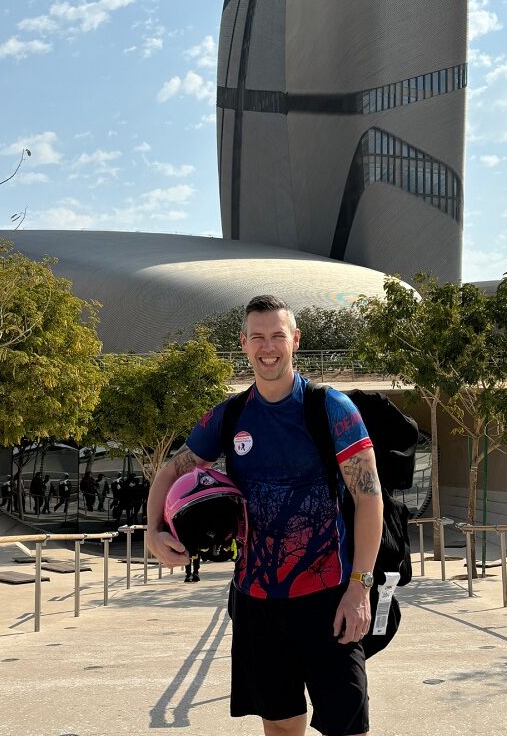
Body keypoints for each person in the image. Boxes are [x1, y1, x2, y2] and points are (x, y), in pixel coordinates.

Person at [147, 295, 383, 736]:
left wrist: (360, 587)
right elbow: (171, 471)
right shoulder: (230, 415)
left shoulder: (329, 407)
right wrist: (153, 531)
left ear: (295, 340)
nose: (268, 346)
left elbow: (369, 498)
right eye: (258, 337)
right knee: (279, 724)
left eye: (278, 335)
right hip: (257, 600)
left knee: (347, 727)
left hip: (329, 594)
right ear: (243, 343)